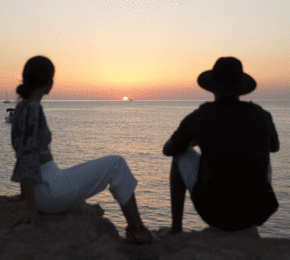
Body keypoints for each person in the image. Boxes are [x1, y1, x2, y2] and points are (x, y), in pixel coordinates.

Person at [9, 56, 152, 244]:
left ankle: (136, 229)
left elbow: (22, 153)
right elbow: (27, 158)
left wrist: (24, 195)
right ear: (50, 82)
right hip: (48, 190)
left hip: (43, 186)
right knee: (117, 164)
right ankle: (137, 230)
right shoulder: (33, 109)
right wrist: (31, 209)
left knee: (108, 165)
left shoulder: (21, 107)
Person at [163, 57, 279, 234]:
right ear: (241, 87)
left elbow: (168, 150)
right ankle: (247, 224)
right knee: (259, 153)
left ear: (212, 86)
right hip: (258, 210)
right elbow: (274, 147)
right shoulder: (261, 114)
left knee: (179, 156)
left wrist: (196, 138)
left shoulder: (202, 116)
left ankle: (176, 230)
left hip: (215, 212)